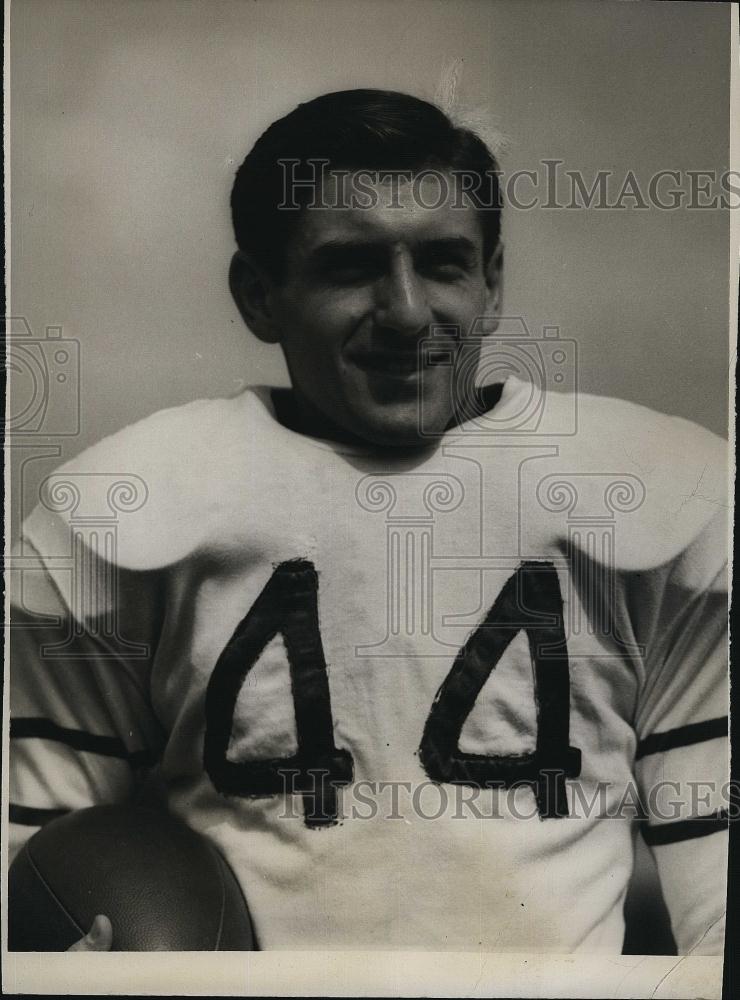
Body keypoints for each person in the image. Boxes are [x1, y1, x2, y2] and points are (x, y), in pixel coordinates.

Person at [8, 89, 729, 954]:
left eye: (444, 262)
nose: (408, 311)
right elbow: (40, 856)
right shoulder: (121, 509)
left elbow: (721, 887)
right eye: (351, 268)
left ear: (493, 283)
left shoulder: (658, 495)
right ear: (258, 295)